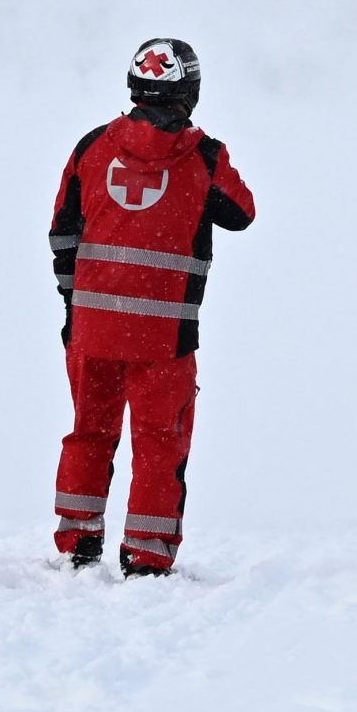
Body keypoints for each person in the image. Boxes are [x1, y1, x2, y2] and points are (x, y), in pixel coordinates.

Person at [48, 38, 257, 574]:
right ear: (191, 91)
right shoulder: (204, 157)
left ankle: (77, 544)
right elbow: (242, 213)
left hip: (92, 329)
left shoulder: (92, 147)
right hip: (164, 337)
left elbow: (62, 235)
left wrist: (73, 306)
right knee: (160, 443)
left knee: (89, 433)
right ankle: (146, 555)